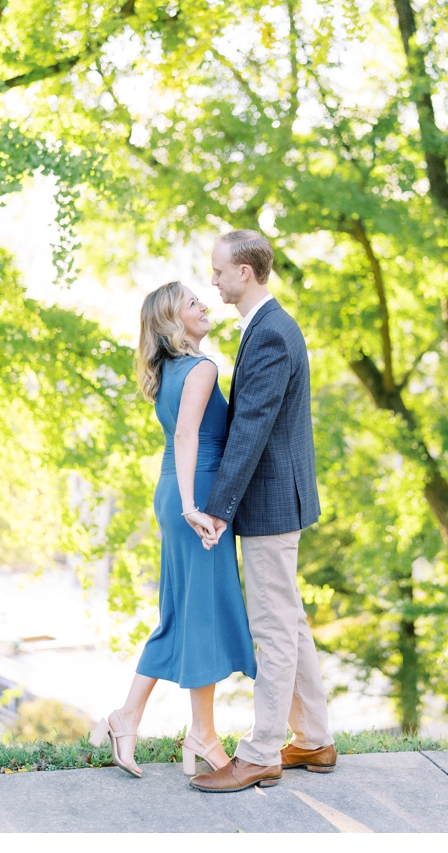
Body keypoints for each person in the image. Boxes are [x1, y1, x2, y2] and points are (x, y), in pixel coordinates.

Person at [188, 229, 335, 794]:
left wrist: (218, 507)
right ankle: (315, 739)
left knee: (272, 627)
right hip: (278, 497)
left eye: (219, 270)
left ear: (244, 272)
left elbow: (252, 428)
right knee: (290, 621)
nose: (214, 279)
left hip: (271, 501)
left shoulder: (271, 333)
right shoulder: (266, 327)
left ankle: (260, 751)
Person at [89, 281, 256, 778]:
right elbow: (187, 434)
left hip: (175, 490)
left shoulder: (167, 371)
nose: (204, 304)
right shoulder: (202, 368)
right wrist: (191, 506)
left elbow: (182, 434)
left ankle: (130, 718)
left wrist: (181, 501)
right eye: (191, 302)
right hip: (194, 496)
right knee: (196, 613)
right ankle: (200, 736)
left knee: (184, 613)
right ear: (172, 321)